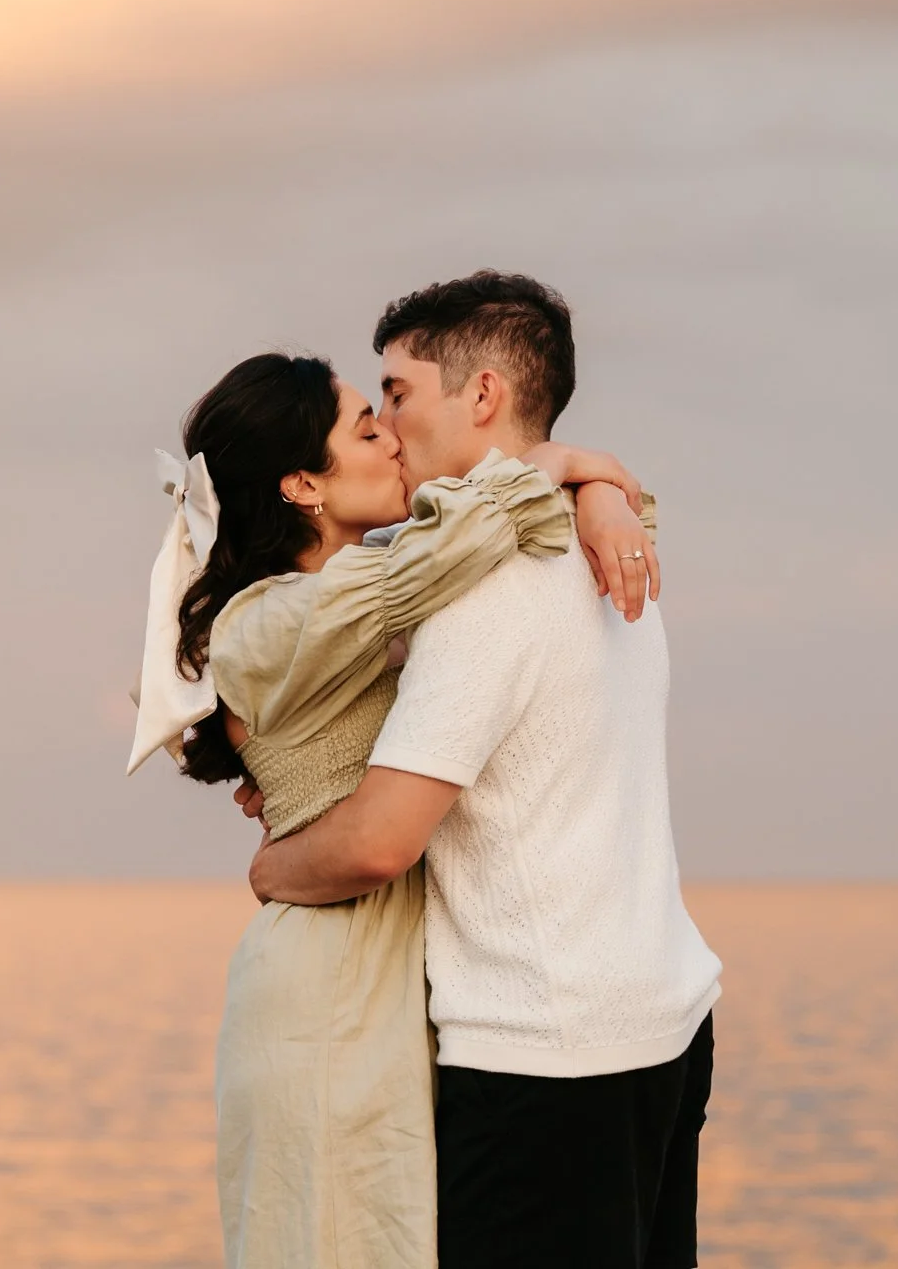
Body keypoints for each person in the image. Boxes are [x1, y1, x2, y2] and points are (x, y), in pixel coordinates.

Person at [125, 349, 657, 1268]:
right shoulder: (269, 620)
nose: (393, 441)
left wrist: (601, 492)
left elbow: (539, 548)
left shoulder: (381, 590)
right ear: (303, 484)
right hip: (330, 983)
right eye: (366, 428)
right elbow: (461, 540)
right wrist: (563, 462)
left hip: (394, 975)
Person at [249, 272, 722, 1269]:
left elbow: (380, 842)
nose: (385, 428)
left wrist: (274, 867)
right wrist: (593, 481)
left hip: (542, 1056)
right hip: (664, 1022)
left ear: (483, 394)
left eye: (397, 393)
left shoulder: (486, 588)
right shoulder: (607, 552)